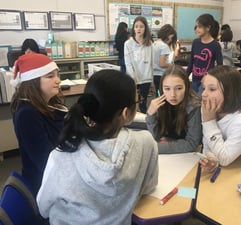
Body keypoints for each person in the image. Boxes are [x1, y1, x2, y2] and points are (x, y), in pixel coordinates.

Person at [37, 70, 158, 225]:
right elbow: (148, 187)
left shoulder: (62, 155)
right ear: (125, 113)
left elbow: (43, 208)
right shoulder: (146, 143)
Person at [11, 53, 67, 196]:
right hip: (45, 185)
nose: (58, 80)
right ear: (33, 80)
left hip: (59, 175)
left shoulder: (48, 104)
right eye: (50, 76)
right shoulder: (27, 114)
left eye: (57, 75)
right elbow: (44, 161)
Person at [146, 65, 202, 154]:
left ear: (186, 87)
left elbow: (192, 144)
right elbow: (156, 136)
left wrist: (155, 147)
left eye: (179, 88)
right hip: (172, 155)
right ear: (161, 89)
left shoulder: (194, 107)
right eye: (167, 89)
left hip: (188, 157)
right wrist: (150, 115)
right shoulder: (160, 103)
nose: (172, 94)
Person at [187, 14, 223, 94]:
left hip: (206, 81)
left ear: (208, 28)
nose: (197, 29)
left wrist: (208, 76)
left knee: (202, 101)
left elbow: (220, 66)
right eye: (196, 27)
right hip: (194, 79)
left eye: (199, 27)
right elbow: (191, 61)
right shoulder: (195, 42)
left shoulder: (215, 45)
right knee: (193, 101)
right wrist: (185, 76)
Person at [124, 16, 153, 113]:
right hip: (134, 78)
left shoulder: (149, 44)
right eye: (136, 26)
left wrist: (151, 77)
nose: (139, 29)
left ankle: (144, 124)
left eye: (141, 26)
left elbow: (151, 62)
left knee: (143, 103)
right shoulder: (128, 44)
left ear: (145, 29)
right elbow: (128, 63)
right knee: (133, 103)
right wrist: (133, 78)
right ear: (133, 29)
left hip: (146, 78)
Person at [153, 24, 177, 95]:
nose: (171, 40)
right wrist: (173, 66)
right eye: (171, 37)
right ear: (168, 34)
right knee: (164, 95)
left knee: (158, 94)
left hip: (154, 74)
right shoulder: (164, 46)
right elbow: (162, 63)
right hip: (162, 75)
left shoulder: (154, 44)